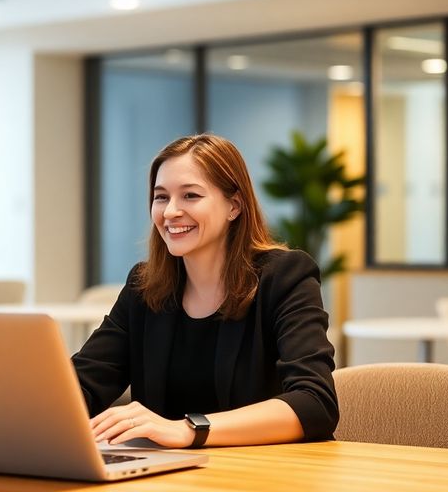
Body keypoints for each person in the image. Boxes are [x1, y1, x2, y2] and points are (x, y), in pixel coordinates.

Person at [72, 134, 338, 449]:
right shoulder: (143, 288)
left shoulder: (285, 277)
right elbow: (84, 383)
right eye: (161, 197)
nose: (170, 211)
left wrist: (189, 430)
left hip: (267, 472)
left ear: (234, 206)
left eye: (190, 196)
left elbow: (315, 403)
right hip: (171, 477)